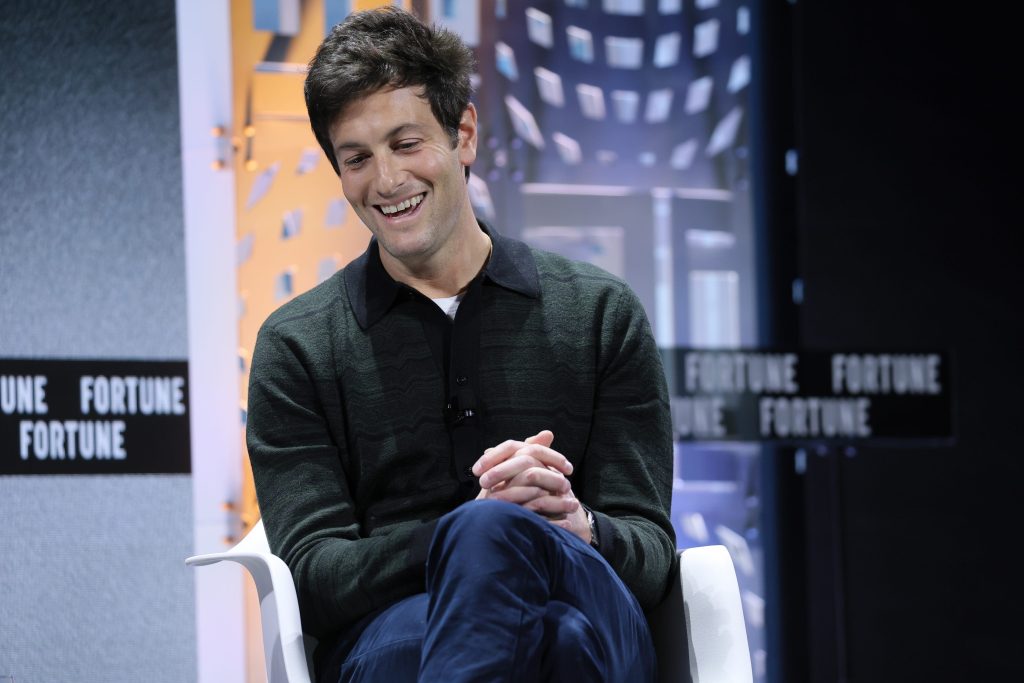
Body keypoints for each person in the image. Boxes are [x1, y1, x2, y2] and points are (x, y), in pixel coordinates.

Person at [246, 7, 676, 682]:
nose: (386, 180)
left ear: (464, 134)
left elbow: (651, 555)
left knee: (553, 609)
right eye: (357, 158)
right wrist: (468, 530)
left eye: (406, 143)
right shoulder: (298, 345)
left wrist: (576, 522)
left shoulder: (599, 312)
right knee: (554, 636)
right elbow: (314, 578)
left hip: (584, 593)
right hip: (401, 630)